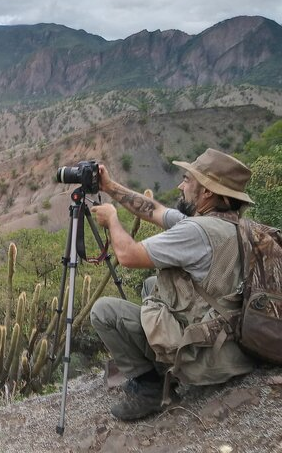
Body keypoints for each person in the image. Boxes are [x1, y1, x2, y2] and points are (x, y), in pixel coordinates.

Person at [89, 148, 255, 421]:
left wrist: (112, 220)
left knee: (104, 311)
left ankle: (150, 389)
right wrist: (109, 186)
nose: (181, 185)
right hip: (231, 346)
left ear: (207, 192)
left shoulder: (195, 232)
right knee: (155, 284)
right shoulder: (230, 225)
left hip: (205, 359)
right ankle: (165, 363)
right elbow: (154, 210)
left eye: (187, 180)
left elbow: (128, 256)